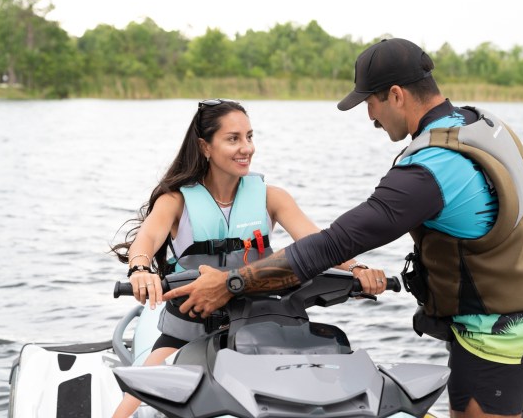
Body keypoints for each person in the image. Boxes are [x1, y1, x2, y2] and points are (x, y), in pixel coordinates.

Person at [163, 39, 523, 418]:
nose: (370, 117)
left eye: (370, 102)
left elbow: (330, 245)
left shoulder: (428, 171)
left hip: (497, 330)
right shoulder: (478, 124)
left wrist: (230, 283)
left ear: (396, 95)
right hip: (510, 312)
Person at [110, 99, 388, 418]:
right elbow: (145, 240)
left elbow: (320, 243)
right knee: (127, 410)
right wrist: (140, 269)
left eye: (250, 137)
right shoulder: (176, 201)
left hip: (259, 325)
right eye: (233, 139)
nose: (246, 148)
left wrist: (356, 268)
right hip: (191, 325)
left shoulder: (272, 197)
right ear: (205, 147)